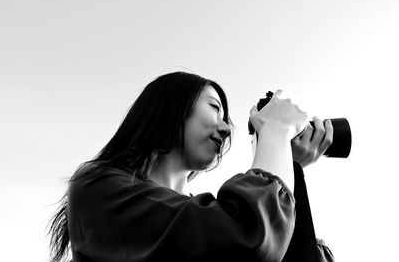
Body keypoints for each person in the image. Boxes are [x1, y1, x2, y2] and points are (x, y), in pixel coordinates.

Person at [48, 71, 334, 262]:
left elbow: (287, 251)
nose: (225, 128)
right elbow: (246, 236)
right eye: (214, 107)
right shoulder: (96, 186)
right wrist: (274, 131)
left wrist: (290, 165)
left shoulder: (199, 217)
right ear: (170, 108)